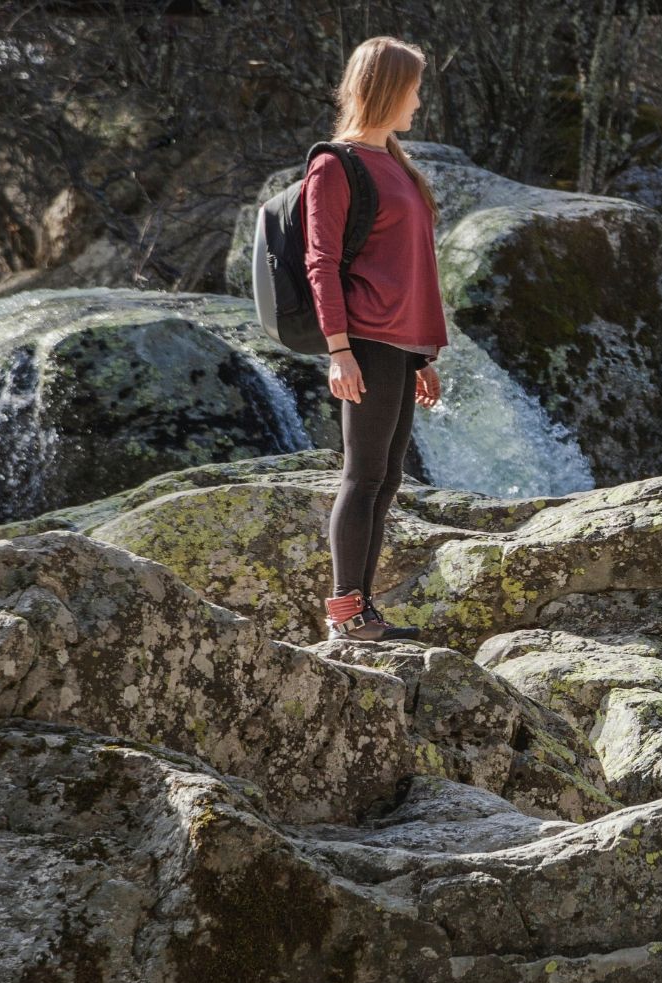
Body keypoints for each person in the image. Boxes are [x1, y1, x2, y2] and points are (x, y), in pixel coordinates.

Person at [303, 35, 448, 642]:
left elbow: (405, 264)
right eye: (413, 86)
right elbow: (321, 262)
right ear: (389, 88)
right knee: (362, 476)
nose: (419, 98)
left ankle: (362, 610)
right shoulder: (336, 164)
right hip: (363, 340)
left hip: (398, 344)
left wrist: (420, 357)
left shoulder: (396, 161)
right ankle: (345, 615)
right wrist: (339, 350)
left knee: (386, 476)